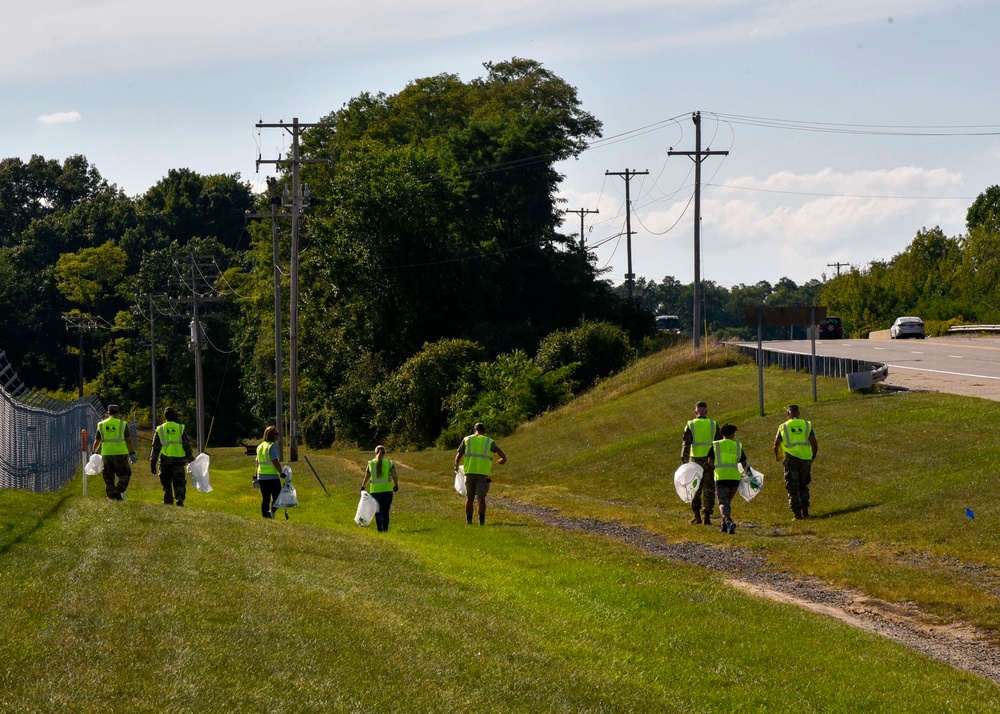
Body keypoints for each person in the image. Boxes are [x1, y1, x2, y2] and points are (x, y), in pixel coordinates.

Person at [455, 422, 507, 526]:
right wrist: (503, 459)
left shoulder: (467, 439)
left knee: (469, 498)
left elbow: (458, 456)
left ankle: (469, 521)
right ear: (484, 431)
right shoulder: (489, 441)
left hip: (469, 472)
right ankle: (481, 522)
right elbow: (500, 452)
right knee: (481, 497)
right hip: (483, 473)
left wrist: (456, 466)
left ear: (474, 430)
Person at [773, 404, 819, 520]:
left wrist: (778, 455)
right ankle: (805, 512)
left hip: (790, 459)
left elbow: (776, 444)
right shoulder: (807, 424)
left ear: (788, 414)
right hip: (805, 459)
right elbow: (814, 443)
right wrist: (812, 456)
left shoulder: (783, 426)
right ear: (798, 413)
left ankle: (797, 515)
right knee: (803, 485)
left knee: (792, 486)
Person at [680, 401, 722, 525]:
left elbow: (686, 444)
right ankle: (707, 516)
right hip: (710, 460)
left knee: (694, 488)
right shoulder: (713, 424)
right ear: (706, 412)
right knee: (709, 488)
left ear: (695, 412)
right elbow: (719, 443)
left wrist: (684, 462)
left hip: (695, 461)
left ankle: (696, 515)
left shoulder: (691, 424)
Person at [707, 423, 750, 535]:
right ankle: (724, 526)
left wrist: (717, 469)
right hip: (735, 479)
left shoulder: (716, 445)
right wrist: (750, 475)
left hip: (721, 478)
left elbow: (710, 462)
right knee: (727, 502)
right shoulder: (737, 446)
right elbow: (744, 463)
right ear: (731, 434)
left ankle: (729, 521)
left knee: (722, 502)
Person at [149, 406, 196, 507]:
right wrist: (191, 458)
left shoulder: (160, 429)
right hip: (179, 461)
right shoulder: (180, 428)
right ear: (175, 416)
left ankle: (168, 500)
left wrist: (153, 462)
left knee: (166, 483)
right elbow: (186, 445)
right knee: (179, 482)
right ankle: (179, 498)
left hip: (165, 461)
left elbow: (155, 448)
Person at [93, 404, 137, 501]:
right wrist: (132, 453)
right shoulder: (123, 424)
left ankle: (112, 497)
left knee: (108, 478)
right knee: (125, 474)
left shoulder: (101, 424)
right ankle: (118, 490)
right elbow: (129, 440)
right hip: (120, 454)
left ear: (108, 413)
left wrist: (94, 452)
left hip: (106, 454)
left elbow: (97, 441)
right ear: (118, 413)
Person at [361, 445, 399, 532]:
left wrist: (363, 486)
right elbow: (394, 476)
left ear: (375, 453)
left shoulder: (370, 463)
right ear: (384, 453)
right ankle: (385, 530)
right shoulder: (390, 463)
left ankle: (380, 530)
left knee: (378, 512)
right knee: (385, 512)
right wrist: (396, 485)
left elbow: (366, 476)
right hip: (387, 491)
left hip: (375, 491)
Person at [255, 426, 286, 518]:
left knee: (266, 498)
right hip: (272, 476)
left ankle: (265, 516)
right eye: (276, 434)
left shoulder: (260, 446)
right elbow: (275, 461)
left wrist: (255, 475)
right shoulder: (272, 446)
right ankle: (271, 512)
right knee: (277, 497)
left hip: (261, 477)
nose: (278, 436)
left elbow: (257, 462)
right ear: (271, 435)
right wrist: (281, 473)